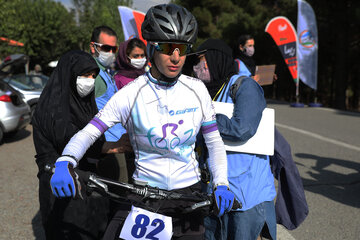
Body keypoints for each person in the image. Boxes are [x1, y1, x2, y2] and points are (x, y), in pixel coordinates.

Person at [49, 4, 235, 240]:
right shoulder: (131, 93)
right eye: (167, 48)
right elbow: (88, 132)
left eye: (182, 48)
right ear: (151, 47)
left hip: (189, 197)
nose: (176, 57)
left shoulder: (197, 89)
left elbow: (214, 142)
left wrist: (221, 183)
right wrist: (66, 160)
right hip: (144, 196)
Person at [32, 50, 131, 240]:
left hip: (88, 184)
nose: (90, 80)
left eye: (93, 76)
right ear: (69, 74)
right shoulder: (51, 108)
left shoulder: (83, 103)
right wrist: (108, 147)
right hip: (62, 188)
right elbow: (68, 138)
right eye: (84, 75)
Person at [192, 39, 277, 240]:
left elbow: (243, 128)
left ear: (215, 59)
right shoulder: (204, 92)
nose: (198, 68)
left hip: (246, 195)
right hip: (214, 193)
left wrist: (206, 120)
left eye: (202, 61)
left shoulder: (243, 86)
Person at [90, 25, 129, 182]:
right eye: (106, 48)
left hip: (116, 143)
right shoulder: (93, 74)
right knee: (119, 195)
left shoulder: (105, 72)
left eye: (114, 49)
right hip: (110, 146)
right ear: (93, 47)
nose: (111, 53)